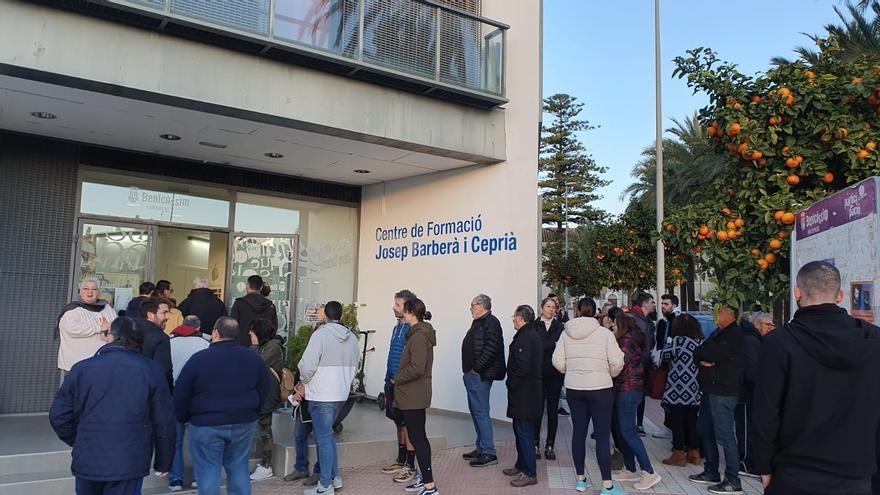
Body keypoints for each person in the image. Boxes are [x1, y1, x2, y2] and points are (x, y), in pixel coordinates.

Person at [754, 261, 880, 495]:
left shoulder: (778, 342)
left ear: (797, 292)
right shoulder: (873, 340)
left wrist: (763, 466)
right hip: (856, 477)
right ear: (840, 295)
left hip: (796, 475)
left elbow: (765, 412)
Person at [50, 317, 175, 495]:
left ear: (110, 337)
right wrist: (164, 460)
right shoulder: (151, 370)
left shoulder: (82, 369)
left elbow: (59, 415)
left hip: (89, 454)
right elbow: (164, 421)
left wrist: (78, 439)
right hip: (130, 458)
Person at [173, 316, 272, 495]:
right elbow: (265, 386)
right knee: (238, 467)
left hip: (206, 423)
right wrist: (253, 410)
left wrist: (184, 417)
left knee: (208, 470)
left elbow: (181, 392)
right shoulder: (253, 358)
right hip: (243, 420)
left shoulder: (199, 359)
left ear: (215, 333)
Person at [553, 297, 625, 494]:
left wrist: (572, 371)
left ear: (576, 311)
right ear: (595, 312)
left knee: (578, 434)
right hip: (601, 388)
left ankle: (580, 480)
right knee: (602, 437)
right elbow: (617, 361)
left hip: (575, 389)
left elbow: (557, 362)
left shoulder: (566, 333)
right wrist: (607, 374)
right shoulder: (605, 334)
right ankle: (607, 486)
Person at [297, 301, 360, 495]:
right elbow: (356, 366)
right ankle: (335, 477)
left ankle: (325, 485)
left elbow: (307, 365)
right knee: (328, 437)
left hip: (321, 394)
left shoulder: (320, 335)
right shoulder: (353, 339)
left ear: (325, 315)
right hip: (340, 394)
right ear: (340, 315)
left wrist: (304, 381)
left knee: (323, 439)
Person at [689, 306, 745, 494]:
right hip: (709, 389)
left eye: (720, 312)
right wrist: (702, 358)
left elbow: (712, 354)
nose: (716, 315)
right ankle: (711, 471)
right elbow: (698, 351)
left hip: (723, 391)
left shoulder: (734, 335)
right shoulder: (717, 333)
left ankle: (733, 480)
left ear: (730, 315)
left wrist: (705, 356)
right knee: (705, 430)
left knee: (725, 435)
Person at [610, 313, 662, 490]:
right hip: (628, 390)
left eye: (615, 325)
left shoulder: (626, 342)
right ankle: (630, 467)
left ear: (622, 326)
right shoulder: (633, 339)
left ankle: (648, 471)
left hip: (628, 390)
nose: (613, 328)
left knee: (628, 432)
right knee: (623, 430)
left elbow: (619, 365)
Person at [393, 297, 439, 495]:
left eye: (402, 307)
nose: (398, 310)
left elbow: (417, 368)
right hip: (413, 394)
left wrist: (397, 378)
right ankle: (424, 480)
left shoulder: (419, 336)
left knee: (418, 439)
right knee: (418, 436)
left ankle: (429, 486)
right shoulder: (417, 333)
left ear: (410, 311)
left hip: (414, 395)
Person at [461, 294, 506, 468]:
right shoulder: (480, 322)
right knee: (477, 412)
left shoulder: (491, 322)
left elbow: (491, 348)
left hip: (479, 375)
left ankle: (488, 452)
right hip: (474, 375)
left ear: (482, 306)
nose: (471, 308)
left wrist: (475, 369)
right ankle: (481, 448)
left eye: (473, 305)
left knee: (480, 412)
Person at [381, 290, 419, 483]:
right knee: (398, 423)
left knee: (407, 425)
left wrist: (400, 380)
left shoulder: (414, 329)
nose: (393, 308)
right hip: (392, 382)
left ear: (408, 307)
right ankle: (401, 458)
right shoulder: (397, 327)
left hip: (404, 385)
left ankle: (410, 466)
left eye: (397, 305)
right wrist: (388, 379)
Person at [168, 315, 210, 491]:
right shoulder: (205, 344)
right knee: (199, 440)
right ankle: (198, 479)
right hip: (198, 397)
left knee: (175, 440)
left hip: (174, 394)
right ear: (198, 328)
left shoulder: (169, 342)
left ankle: (175, 480)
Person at [503, 305, 543, 488]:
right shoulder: (528, 334)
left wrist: (511, 383)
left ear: (520, 318)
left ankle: (529, 473)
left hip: (525, 393)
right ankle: (521, 465)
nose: (513, 320)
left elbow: (522, 367)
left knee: (525, 432)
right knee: (520, 431)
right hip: (525, 392)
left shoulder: (527, 337)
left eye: (514, 317)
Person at [659, 313, 703, 467]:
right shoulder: (699, 342)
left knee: (677, 421)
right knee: (692, 421)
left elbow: (663, 357)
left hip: (677, 389)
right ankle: (694, 452)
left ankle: (678, 453)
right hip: (695, 388)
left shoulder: (677, 342)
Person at [56, 278, 117, 382]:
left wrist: (110, 327)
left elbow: (118, 328)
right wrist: (99, 328)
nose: (90, 292)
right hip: (76, 365)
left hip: (101, 365)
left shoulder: (107, 308)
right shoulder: (72, 310)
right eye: (86, 288)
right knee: (75, 396)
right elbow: (72, 328)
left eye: (94, 289)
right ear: (80, 291)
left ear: (99, 293)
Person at [249, 318, 285, 482]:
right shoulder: (262, 347)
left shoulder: (273, 348)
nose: (249, 333)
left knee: (265, 428)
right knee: (261, 427)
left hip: (268, 395)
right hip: (260, 393)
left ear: (260, 332)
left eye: (252, 330)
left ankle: (266, 465)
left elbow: (256, 364)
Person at [533, 297, 564, 460]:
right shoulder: (534, 325)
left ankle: (550, 445)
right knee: (537, 410)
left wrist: (544, 344)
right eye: (548, 306)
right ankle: (535, 444)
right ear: (541, 308)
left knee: (553, 411)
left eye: (554, 307)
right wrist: (551, 343)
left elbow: (560, 345)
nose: (551, 309)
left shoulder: (560, 327)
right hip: (537, 374)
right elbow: (536, 345)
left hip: (555, 374)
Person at [735, 312, 763, 479]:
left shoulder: (749, 339)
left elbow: (752, 370)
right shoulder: (752, 340)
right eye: (767, 324)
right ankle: (747, 461)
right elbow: (752, 370)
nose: (770, 328)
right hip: (747, 392)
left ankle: (747, 461)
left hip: (747, 392)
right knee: (745, 427)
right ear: (757, 324)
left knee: (745, 427)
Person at [652, 294, 680, 440]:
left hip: (673, 365)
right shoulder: (665, 322)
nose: (663, 306)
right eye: (662, 303)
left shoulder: (676, 321)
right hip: (665, 363)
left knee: (670, 398)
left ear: (674, 305)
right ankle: (669, 427)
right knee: (665, 398)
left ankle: (672, 428)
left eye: (666, 304)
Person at [629, 292, 655, 437]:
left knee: (639, 394)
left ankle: (638, 423)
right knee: (637, 394)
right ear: (645, 304)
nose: (654, 305)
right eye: (652, 302)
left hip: (641, 362)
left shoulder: (645, 320)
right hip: (639, 363)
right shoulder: (638, 320)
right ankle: (636, 423)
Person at [136, 298, 174, 391]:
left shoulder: (127, 332)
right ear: (150, 315)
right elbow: (164, 371)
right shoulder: (161, 338)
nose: (167, 317)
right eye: (164, 313)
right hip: (150, 392)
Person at [230, 275, 278, 347]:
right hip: (264, 347)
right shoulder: (270, 306)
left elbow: (232, 326)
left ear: (247, 286)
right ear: (261, 288)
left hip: (242, 346)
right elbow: (274, 327)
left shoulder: (239, 303)